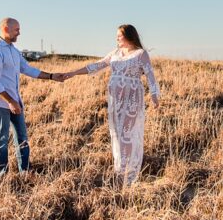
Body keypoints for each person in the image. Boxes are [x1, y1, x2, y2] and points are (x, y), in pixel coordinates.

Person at [58, 25, 160, 186]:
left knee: (127, 133)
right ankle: (119, 170)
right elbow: (96, 65)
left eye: (119, 35)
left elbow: (150, 75)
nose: (117, 38)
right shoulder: (115, 54)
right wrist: (73, 73)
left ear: (128, 36)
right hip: (115, 100)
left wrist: (154, 95)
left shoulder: (141, 54)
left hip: (132, 97)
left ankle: (128, 173)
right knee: (117, 133)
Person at [0, 17, 61, 175]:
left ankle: (25, 173)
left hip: (15, 102)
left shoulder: (14, 51)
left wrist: (52, 76)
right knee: (2, 140)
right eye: (16, 29)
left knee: (22, 138)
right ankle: (0, 176)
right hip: (1, 103)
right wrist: (11, 102)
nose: (19, 32)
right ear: (6, 29)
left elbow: (28, 69)